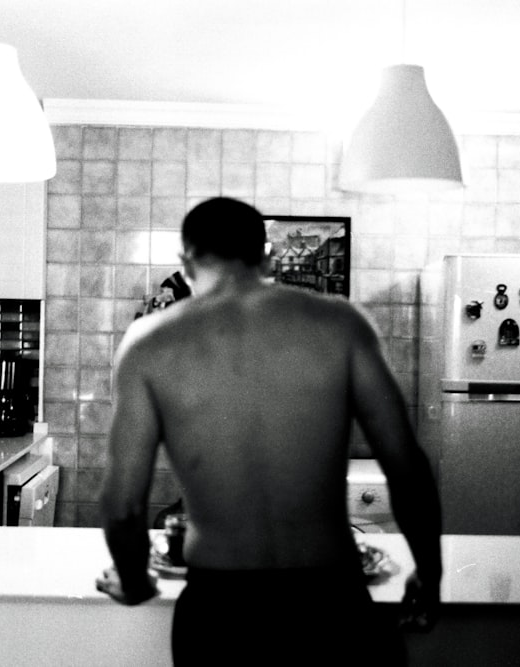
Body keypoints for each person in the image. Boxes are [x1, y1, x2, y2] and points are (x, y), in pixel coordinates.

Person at [96, 197, 442, 665]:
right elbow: (407, 467)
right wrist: (429, 571)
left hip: (220, 613)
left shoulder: (149, 343)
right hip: (331, 601)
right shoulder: (341, 324)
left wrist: (134, 581)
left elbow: (123, 506)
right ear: (267, 255)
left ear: (185, 262)